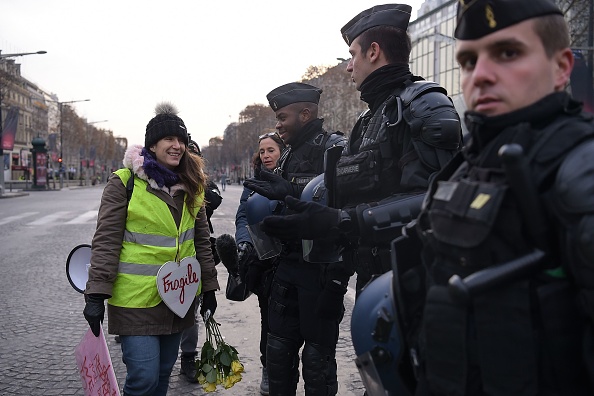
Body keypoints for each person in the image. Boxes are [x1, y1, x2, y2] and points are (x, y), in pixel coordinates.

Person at [409, 1, 594, 394]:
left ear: (561, 67)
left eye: (508, 53)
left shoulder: (581, 169)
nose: (481, 75)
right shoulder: (468, 160)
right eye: (469, 61)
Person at [258, 4, 461, 298]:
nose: (349, 66)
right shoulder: (367, 119)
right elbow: (350, 197)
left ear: (374, 51)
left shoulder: (426, 105)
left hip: (418, 281)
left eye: (353, 55)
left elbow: (440, 200)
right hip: (372, 277)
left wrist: (347, 221)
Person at [83, 102, 219, 396]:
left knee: (160, 379)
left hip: (178, 297)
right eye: (169, 139)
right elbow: (106, 240)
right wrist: (95, 294)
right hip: (135, 300)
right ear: (152, 145)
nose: (177, 146)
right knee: (143, 378)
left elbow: (201, 242)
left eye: (181, 140)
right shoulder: (125, 183)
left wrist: (208, 289)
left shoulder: (192, 184)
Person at [244, 82, 347, 395]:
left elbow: (345, 218)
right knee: (277, 355)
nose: (277, 124)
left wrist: (337, 281)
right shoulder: (287, 155)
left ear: (305, 114)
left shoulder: (336, 150)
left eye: (282, 117)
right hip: (287, 268)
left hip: (320, 272)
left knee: (317, 365)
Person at [235, 131, 287, 395]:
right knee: (269, 320)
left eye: (271, 150)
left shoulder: (293, 175)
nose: (266, 156)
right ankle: (269, 369)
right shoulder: (252, 181)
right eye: (263, 151)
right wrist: (245, 242)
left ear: (282, 150)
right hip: (264, 261)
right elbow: (243, 216)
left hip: (292, 257)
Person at [178, 138, 223, 383]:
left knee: (189, 309)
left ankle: (187, 357)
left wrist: (195, 179)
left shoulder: (200, 185)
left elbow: (214, 199)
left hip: (195, 251)